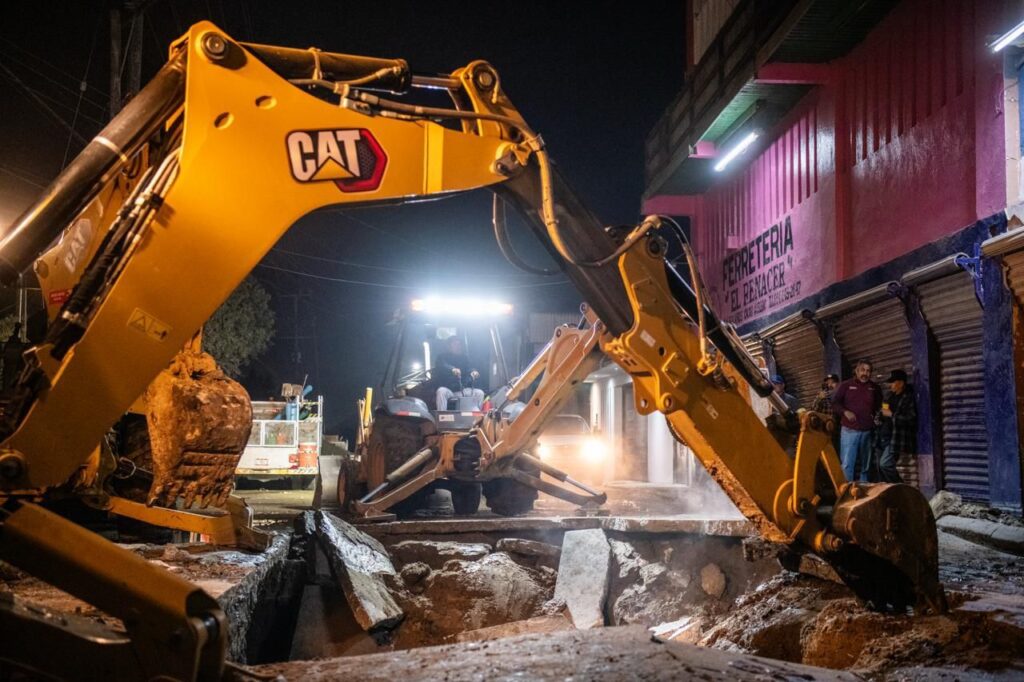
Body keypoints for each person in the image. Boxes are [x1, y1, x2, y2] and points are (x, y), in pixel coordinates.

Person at [832, 359, 882, 482]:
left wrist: (876, 418)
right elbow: (835, 404)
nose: (865, 373)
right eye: (863, 370)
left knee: (866, 465)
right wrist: (845, 412)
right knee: (848, 464)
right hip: (849, 431)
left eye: (868, 371)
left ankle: (863, 489)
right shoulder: (846, 385)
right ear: (857, 371)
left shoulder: (875, 388)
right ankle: (847, 492)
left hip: (867, 431)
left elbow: (878, 406)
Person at [872, 369, 916, 483]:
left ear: (901, 383)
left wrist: (892, 415)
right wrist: (878, 418)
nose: (890, 385)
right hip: (881, 436)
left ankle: (902, 489)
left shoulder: (908, 397)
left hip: (895, 438)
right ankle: (891, 495)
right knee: (878, 468)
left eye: (893, 382)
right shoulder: (888, 396)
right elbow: (882, 411)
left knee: (885, 464)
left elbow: (910, 419)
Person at [433, 335, 484, 410]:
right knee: (441, 391)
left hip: (463, 390)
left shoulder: (464, 358)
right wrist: (452, 369)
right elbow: (442, 365)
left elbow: (469, 368)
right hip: (449, 391)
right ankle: (442, 417)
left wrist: (474, 371)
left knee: (480, 393)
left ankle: (477, 419)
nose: (458, 346)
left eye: (459, 344)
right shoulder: (442, 357)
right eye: (455, 344)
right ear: (449, 346)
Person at [766, 374, 800, 456]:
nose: (774, 386)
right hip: (774, 437)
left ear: (783, 385)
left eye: (776, 383)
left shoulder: (791, 400)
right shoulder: (768, 400)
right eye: (772, 384)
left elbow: (797, 420)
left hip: (788, 438)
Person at [1, 322, 26, 393]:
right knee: (9, 375)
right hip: (12, 361)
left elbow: (5, 351)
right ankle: (7, 390)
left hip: (11, 361)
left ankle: (7, 390)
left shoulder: (12, 342)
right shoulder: (16, 343)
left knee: (8, 376)